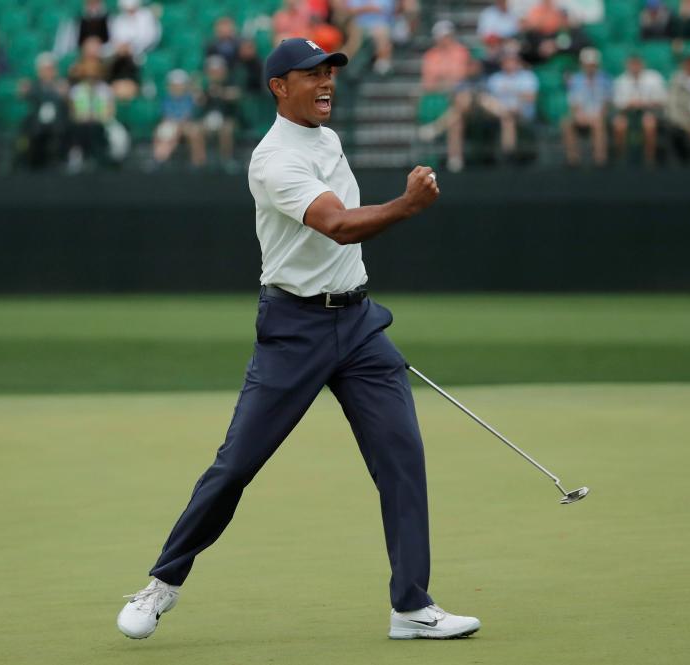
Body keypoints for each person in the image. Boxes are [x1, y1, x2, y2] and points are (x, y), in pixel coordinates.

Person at [116, 37, 480, 643]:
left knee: (402, 459)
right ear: (278, 87)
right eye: (311, 74)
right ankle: (162, 585)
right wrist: (408, 206)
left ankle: (412, 606)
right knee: (236, 466)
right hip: (295, 329)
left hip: (360, 326)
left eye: (330, 71)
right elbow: (337, 225)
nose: (325, 82)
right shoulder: (272, 158)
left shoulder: (327, 139)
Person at [611, 53, 667, 165]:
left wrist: (645, 103)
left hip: (650, 111)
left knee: (649, 124)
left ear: (643, 64)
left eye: (637, 63)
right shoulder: (620, 80)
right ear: (627, 65)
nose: (635, 66)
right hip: (627, 113)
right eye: (632, 64)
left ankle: (649, 160)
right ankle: (621, 159)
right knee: (619, 124)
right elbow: (617, 103)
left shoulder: (654, 77)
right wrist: (629, 104)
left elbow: (662, 100)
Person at [18, 53, 70, 170]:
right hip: (38, 128)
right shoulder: (34, 87)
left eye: (50, 69)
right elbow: (23, 96)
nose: (48, 72)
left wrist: (64, 94)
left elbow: (67, 103)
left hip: (57, 126)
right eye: (45, 69)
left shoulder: (60, 85)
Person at [561, 46, 610, 166]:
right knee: (566, 123)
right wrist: (579, 115)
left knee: (598, 123)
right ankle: (573, 158)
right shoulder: (575, 80)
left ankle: (600, 159)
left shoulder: (605, 79)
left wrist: (597, 115)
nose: (590, 68)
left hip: (598, 115)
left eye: (592, 65)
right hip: (581, 115)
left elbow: (607, 103)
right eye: (587, 65)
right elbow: (573, 102)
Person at [153, 69, 205, 168]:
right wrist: (176, 127)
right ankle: (160, 161)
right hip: (171, 124)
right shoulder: (165, 99)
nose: (177, 87)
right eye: (174, 85)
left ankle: (198, 163)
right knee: (163, 132)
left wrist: (180, 126)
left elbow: (190, 115)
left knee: (195, 132)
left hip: (186, 125)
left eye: (180, 85)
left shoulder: (190, 98)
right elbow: (165, 117)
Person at [199, 56, 241, 170]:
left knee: (226, 129)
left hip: (228, 119)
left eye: (218, 70)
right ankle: (200, 163)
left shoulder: (230, 81)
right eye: (212, 71)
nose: (215, 73)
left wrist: (219, 92)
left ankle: (226, 161)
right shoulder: (204, 84)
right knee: (195, 130)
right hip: (206, 120)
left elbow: (235, 94)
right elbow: (198, 100)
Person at [347, 0, 397, 75]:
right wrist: (369, 8)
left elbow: (387, 10)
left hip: (381, 24)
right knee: (354, 37)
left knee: (381, 31)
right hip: (359, 26)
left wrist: (364, 9)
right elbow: (351, 10)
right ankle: (346, 65)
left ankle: (382, 62)